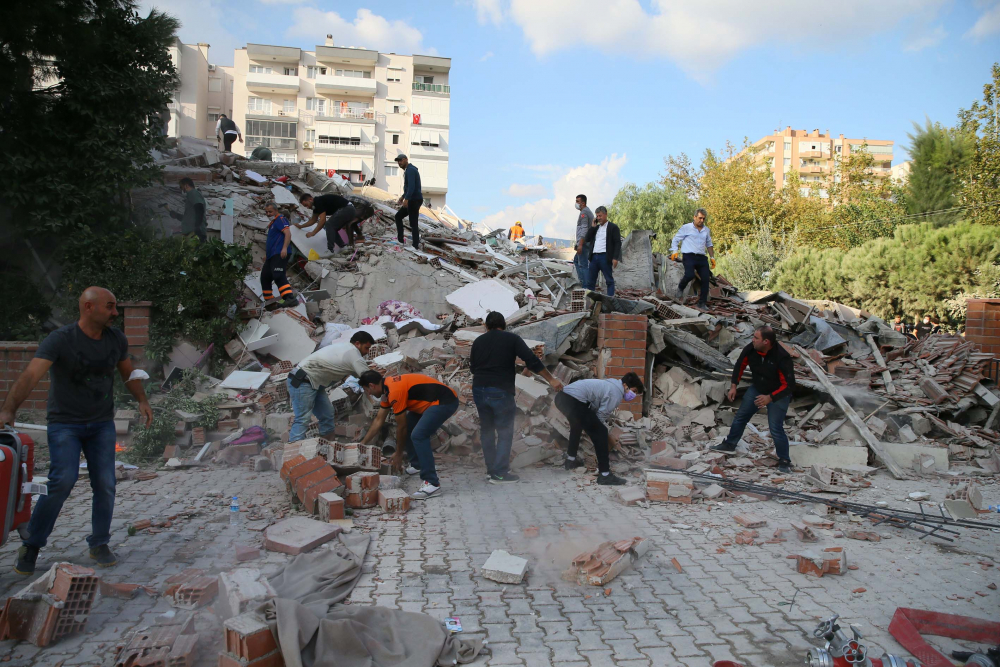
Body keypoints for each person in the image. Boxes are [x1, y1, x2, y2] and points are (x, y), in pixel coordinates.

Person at [0, 287, 153, 576]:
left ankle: (99, 543)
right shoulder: (60, 340)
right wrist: (9, 409)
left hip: (100, 424)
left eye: (115, 306)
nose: (115, 312)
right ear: (87, 307)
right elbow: (31, 375)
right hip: (64, 423)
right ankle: (32, 545)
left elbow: (127, 373)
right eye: (109, 307)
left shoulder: (115, 339)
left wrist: (142, 400)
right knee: (62, 480)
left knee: (106, 484)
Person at [470, 312, 563, 483]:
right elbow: (532, 360)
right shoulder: (511, 339)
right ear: (503, 325)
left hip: (478, 389)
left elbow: (473, 368)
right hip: (500, 390)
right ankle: (500, 473)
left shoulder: (478, 341)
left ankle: (491, 471)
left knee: (487, 430)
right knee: (505, 432)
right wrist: (551, 379)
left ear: (486, 326)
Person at [359, 371, 458, 499]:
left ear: (372, 385)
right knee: (411, 426)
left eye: (367, 390)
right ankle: (417, 465)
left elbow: (401, 427)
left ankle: (432, 483)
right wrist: (362, 444)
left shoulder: (394, 391)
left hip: (445, 401)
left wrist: (399, 453)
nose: (369, 394)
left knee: (419, 435)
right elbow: (378, 420)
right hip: (429, 402)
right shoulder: (386, 390)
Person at [712, 326, 795, 474]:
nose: (752, 340)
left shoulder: (782, 357)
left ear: (766, 341)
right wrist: (733, 386)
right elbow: (740, 365)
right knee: (740, 417)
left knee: (775, 428)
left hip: (778, 394)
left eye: (756, 338)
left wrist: (770, 398)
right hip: (758, 388)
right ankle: (730, 444)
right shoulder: (751, 348)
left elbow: (788, 386)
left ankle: (784, 460)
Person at [555, 373, 645, 486]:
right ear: (626, 385)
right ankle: (605, 475)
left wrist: (592, 425)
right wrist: (596, 430)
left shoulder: (611, 384)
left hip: (562, 398)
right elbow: (601, 415)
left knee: (577, 425)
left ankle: (571, 460)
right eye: (634, 390)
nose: (633, 395)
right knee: (601, 432)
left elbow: (594, 407)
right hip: (573, 400)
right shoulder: (616, 392)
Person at [288, 332, 374, 442]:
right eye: (366, 348)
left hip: (314, 383)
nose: (366, 352)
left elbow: (363, 377)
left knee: (327, 414)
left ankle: (328, 446)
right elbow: (369, 378)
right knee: (303, 419)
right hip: (303, 381)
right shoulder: (354, 354)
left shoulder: (345, 349)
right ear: (357, 344)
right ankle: (292, 454)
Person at [671, 208, 716, 308]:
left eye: (704, 219)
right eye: (700, 218)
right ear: (694, 217)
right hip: (689, 256)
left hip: (701, 257)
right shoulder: (686, 228)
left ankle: (702, 303)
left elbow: (709, 244)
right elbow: (676, 239)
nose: (702, 220)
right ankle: (680, 287)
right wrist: (674, 251)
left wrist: (712, 257)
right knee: (690, 275)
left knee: (705, 279)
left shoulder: (706, 230)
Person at [297, 193, 367, 254]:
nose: (308, 207)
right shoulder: (316, 208)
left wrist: (313, 233)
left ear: (310, 199)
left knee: (329, 225)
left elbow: (322, 221)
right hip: (351, 210)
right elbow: (313, 220)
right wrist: (301, 226)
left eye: (306, 205)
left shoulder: (318, 201)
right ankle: (343, 248)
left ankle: (330, 249)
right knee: (333, 228)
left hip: (347, 209)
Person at [262, 202, 296, 311]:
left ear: (276, 210)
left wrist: (284, 248)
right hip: (271, 255)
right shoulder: (273, 223)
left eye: (270, 211)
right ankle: (270, 302)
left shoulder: (280, 219)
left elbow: (287, 233)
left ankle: (289, 298)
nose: (268, 213)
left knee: (278, 274)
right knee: (265, 277)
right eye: (266, 212)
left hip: (280, 253)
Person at [583, 206, 622, 297]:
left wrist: (615, 258)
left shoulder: (613, 227)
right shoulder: (596, 228)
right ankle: (590, 302)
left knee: (609, 280)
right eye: (597, 216)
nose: (599, 218)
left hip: (605, 257)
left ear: (605, 214)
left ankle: (610, 300)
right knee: (590, 282)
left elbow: (617, 243)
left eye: (600, 216)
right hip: (594, 257)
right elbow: (587, 239)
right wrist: (592, 227)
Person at [393, 154, 422, 248]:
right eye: (398, 161)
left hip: (414, 200)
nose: (399, 163)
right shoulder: (409, 170)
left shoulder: (410, 170)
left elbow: (412, 187)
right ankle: (401, 240)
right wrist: (402, 197)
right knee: (398, 216)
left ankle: (415, 245)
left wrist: (407, 199)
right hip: (413, 199)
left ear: (406, 159)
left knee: (413, 223)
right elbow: (409, 188)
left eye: (401, 160)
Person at [170, 177, 207, 242]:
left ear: (186, 185)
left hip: (195, 233)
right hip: (190, 232)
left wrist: (197, 227)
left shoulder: (193, 193)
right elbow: (189, 217)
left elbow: (199, 209)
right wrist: (176, 215)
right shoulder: (190, 196)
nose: (181, 189)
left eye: (181, 187)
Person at [573, 194, 595, 284]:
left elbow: (584, 229)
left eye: (577, 201)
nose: (576, 203)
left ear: (583, 203)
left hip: (585, 243)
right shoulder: (587, 211)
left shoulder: (584, 213)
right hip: (586, 242)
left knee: (583, 265)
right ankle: (584, 282)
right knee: (576, 261)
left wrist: (580, 244)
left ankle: (585, 286)